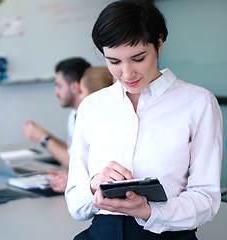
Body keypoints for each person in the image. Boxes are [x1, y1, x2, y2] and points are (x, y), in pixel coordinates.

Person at [66, 1, 223, 239]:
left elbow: (206, 199)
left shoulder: (198, 103)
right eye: (114, 61)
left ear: (158, 44)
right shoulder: (92, 106)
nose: (127, 74)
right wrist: (94, 184)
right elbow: (75, 204)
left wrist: (149, 211)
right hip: (101, 233)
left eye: (138, 58)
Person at [44, 66, 115, 193]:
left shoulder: (108, 130)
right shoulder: (81, 117)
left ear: (95, 95)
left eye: (81, 92)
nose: (79, 97)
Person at [22, 57, 91, 167]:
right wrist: (45, 136)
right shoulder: (74, 114)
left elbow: (76, 164)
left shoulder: (90, 117)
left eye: (59, 86)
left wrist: (43, 138)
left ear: (74, 87)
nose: (55, 92)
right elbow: (72, 151)